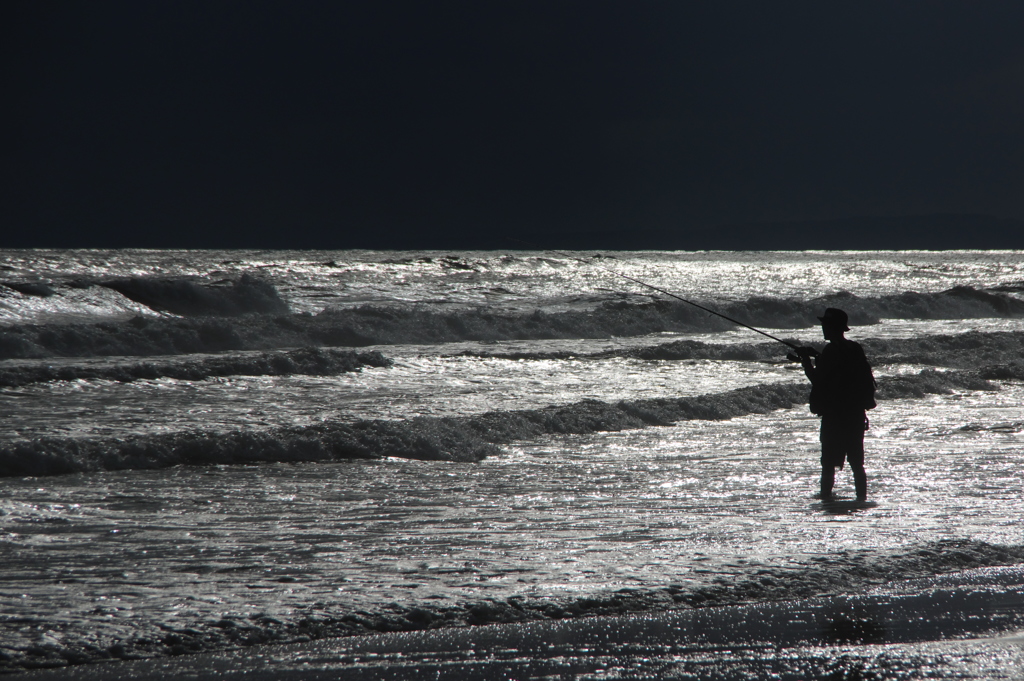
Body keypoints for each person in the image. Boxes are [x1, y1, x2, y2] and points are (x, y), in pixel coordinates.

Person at [797, 308, 876, 501]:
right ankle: (861, 499)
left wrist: (806, 362)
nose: (823, 328)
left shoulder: (831, 350)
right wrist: (817, 356)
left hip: (835, 416)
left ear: (832, 327)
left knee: (828, 463)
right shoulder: (854, 348)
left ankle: (826, 499)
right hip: (855, 415)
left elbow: (819, 380)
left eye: (825, 325)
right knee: (857, 463)